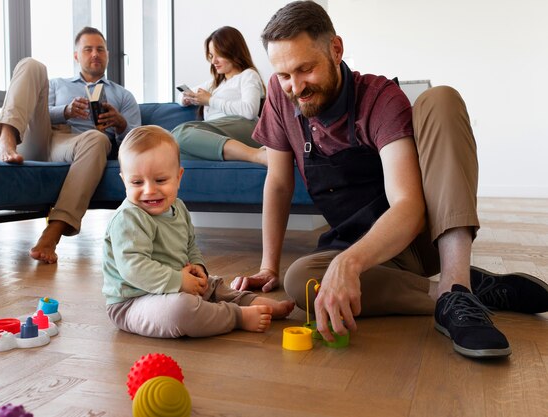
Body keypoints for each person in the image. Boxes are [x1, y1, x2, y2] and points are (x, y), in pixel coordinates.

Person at [230, 1, 548, 358]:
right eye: (285, 75)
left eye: (306, 69)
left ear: (336, 50)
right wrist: (268, 267)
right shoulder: (279, 93)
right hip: (368, 248)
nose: (296, 86)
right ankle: (459, 292)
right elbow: (278, 182)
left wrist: (347, 264)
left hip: (420, 238)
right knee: (300, 281)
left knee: (439, 98)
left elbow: (409, 206)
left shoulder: (380, 99)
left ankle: (455, 280)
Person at [102, 125, 294, 338]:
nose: (149, 190)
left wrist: (198, 268)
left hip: (178, 283)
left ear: (178, 177)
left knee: (214, 285)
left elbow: (190, 244)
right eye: (137, 182)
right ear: (124, 181)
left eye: (160, 180)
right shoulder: (128, 218)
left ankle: (250, 301)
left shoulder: (179, 208)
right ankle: (237, 316)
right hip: (134, 301)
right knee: (181, 310)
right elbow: (134, 268)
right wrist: (179, 282)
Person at [0, 26, 141, 264]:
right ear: (76, 56)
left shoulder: (123, 96)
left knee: (98, 139)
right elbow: (35, 113)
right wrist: (66, 111)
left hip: (83, 146)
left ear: (108, 55)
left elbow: (138, 144)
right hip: (44, 139)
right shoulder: (56, 85)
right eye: (88, 49)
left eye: (100, 49)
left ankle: (54, 231)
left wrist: (121, 124)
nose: (95, 54)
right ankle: (5, 139)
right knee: (32, 65)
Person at [172, 26, 267, 165]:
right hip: (219, 131)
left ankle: (257, 155)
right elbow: (180, 96)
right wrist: (187, 99)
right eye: (211, 55)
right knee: (174, 151)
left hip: (244, 126)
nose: (213, 61)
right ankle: (237, 153)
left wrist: (210, 100)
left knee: (180, 133)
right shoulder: (215, 83)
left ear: (234, 53)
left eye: (219, 55)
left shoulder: (247, 75)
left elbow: (249, 111)